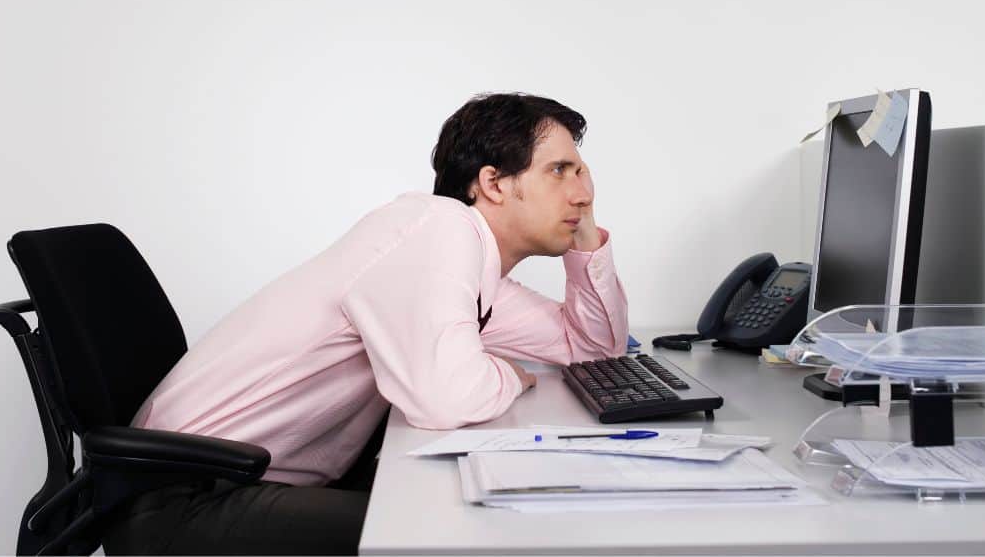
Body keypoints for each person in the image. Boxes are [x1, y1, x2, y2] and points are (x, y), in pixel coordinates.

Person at [104, 92, 629, 555]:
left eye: (582, 172)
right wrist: (510, 374)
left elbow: (592, 350)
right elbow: (443, 398)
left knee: (465, 505)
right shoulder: (440, 229)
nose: (582, 191)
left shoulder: (465, 264)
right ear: (492, 183)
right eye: (559, 171)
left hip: (233, 485)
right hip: (180, 501)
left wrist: (584, 239)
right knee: (460, 533)